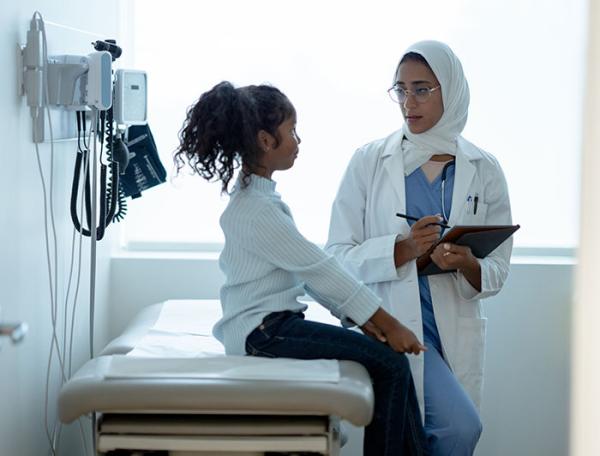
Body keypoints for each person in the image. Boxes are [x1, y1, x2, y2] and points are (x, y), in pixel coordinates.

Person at [174, 81, 430, 456]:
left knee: (390, 362)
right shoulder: (258, 210)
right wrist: (388, 324)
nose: (298, 140)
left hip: (268, 328)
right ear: (265, 140)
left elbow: (307, 275)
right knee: (391, 365)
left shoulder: (256, 199)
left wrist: (365, 321)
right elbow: (319, 269)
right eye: (291, 131)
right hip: (264, 333)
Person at [325, 40, 513, 456]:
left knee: (428, 438)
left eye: (422, 88)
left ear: (451, 90)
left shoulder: (484, 168)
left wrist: (467, 263)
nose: (409, 101)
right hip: (393, 325)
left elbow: (499, 267)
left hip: (452, 326)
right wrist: (401, 250)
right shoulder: (370, 161)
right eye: (401, 89)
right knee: (456, 429)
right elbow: (335, 256)